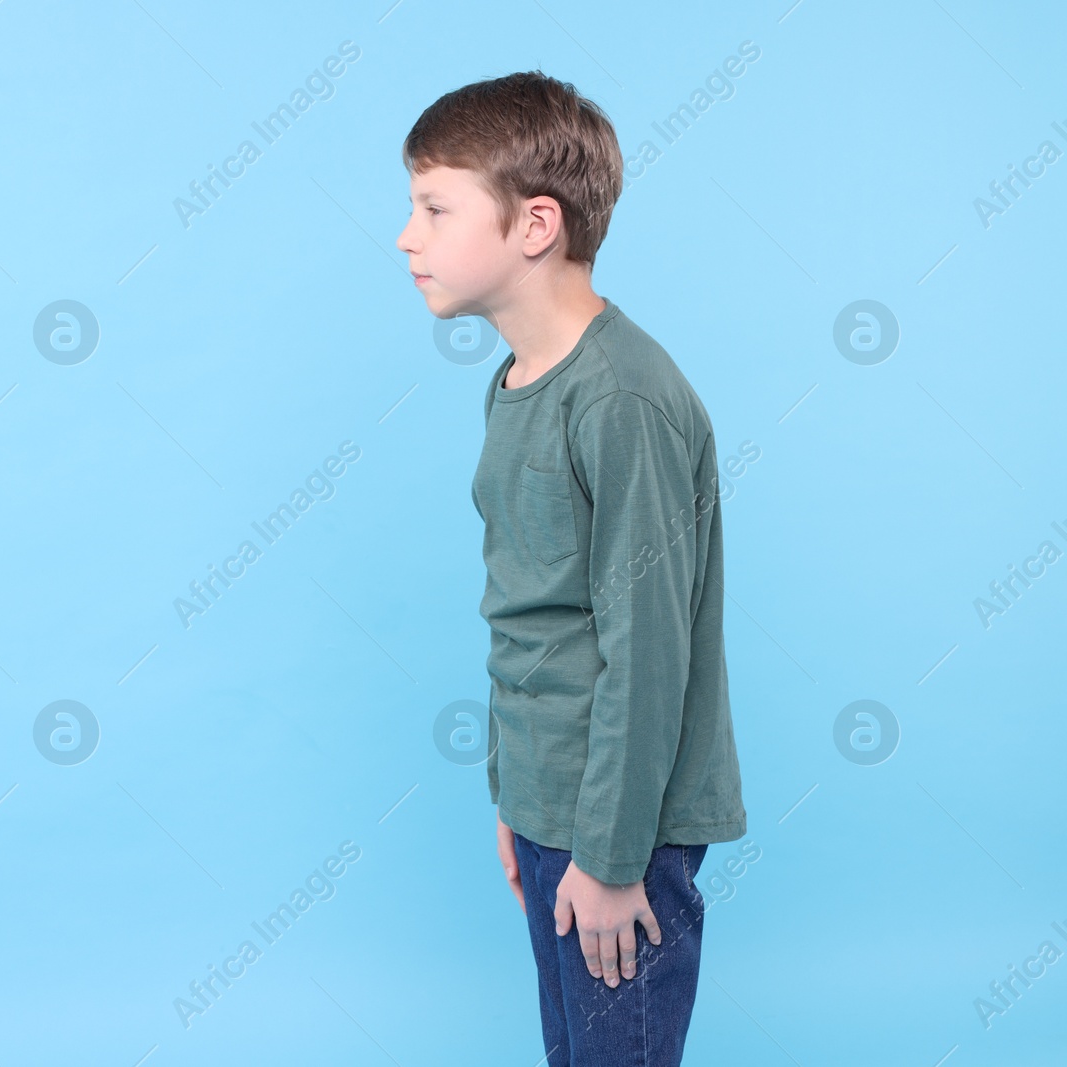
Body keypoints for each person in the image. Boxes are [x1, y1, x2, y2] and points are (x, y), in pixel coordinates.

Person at [396, 71, 748, 1066]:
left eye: (433, 206)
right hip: (555, 808)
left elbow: (645, 648)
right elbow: (534, 614)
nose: (405, 236)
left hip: (615, 830)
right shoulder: (516, 380)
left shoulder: (618, 399)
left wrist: (606, 852)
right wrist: (522, 804)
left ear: (534, 223)